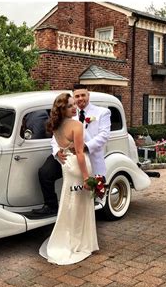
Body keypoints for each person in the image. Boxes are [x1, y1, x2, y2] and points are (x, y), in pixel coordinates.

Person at [38, 92, 98, 265]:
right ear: (63, 109)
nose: (74, 107)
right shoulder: (76, 125)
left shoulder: (56, 126)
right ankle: (79, 242)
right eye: (70, 105)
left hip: (67, 167)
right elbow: (80, 153)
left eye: (74, 104)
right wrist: (87, 177)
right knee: (80, 205)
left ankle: (67, 238)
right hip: (78, 167)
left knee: (69, 202)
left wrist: (61, 150)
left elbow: (62, 143)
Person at [34, 84, 111, 215]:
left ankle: (85, 212)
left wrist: (85, 146)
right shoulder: (68, 113)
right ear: (73, 97)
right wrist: (57, 151)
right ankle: (51, 205)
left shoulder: (102, 112)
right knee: (45, 173)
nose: (80, 99)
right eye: (77, 96)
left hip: (89, 155)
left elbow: (104, 135)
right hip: (66, 155)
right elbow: (55, 136)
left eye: (83, 95)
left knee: (87, 188)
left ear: (88, 95)